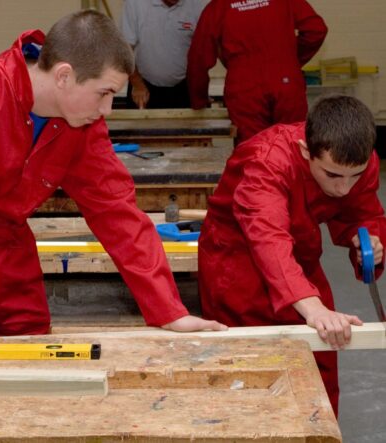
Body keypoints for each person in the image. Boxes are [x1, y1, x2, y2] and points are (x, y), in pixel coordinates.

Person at [0, 10, 227, 339]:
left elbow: (118, 214)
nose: (106, 110)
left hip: (12, 285)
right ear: (64, 76)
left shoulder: (81, 126)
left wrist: (169, 310)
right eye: (103, 94)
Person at [197, 94, 386, 416]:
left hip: (300, 253)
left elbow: (363, 211)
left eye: (355, 175)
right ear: (304, 151)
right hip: (238, 262)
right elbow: (267, 237)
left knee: (323, 353)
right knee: (252, 369)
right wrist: (311, 306)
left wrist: (370, 240)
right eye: (332, 176)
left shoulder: (356, 161)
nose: (344, 188)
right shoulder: (267, 162)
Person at [187, 0, 328, 143]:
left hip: (244, 87)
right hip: (285, 82)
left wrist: (199, 100)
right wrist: (289, 60)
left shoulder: (218, 7)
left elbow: (198, 57)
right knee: (291, 147)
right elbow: (316, 30)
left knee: (253, 150)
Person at [121, 0, 207, 109]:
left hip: (184, 87)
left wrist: (200, 87)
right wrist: (137, 83)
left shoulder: (196, 5)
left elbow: (203, 51)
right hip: (143, 87)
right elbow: (125, 49)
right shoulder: (135, 3)